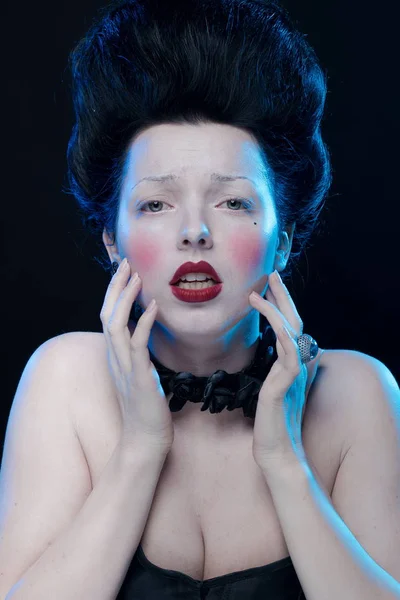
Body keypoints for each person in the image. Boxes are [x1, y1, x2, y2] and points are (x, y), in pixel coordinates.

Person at [2, 1, 399, 600]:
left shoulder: (357, 394)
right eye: (155, 204)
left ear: (284, 238)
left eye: (233, 201)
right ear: (112, 239)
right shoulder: (64, 380)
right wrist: (140, 447)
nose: (195, 231)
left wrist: (284, 460)